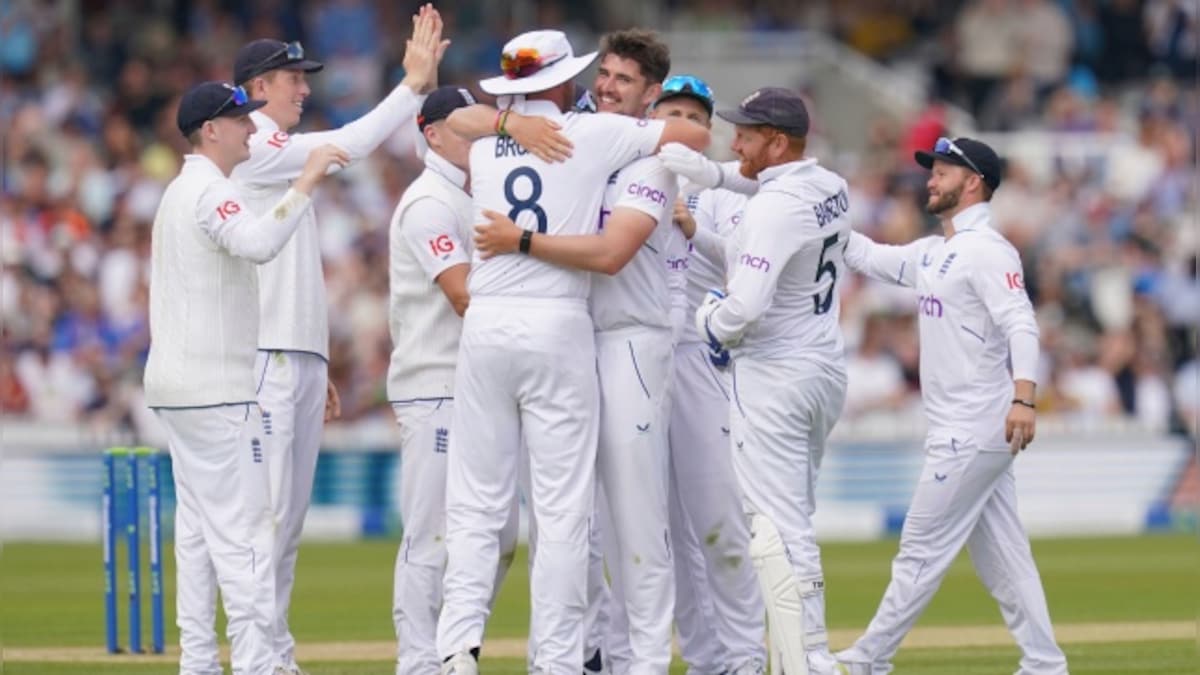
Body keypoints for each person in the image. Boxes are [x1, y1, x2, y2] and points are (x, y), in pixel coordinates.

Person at [433, 29, 709, 675]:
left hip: (486, 322)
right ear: (565, 82)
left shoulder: (480, 148)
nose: (600, 87)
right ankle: (556, 660)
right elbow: (692, 137)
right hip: (559, 326)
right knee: (562, 511)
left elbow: (453, 118)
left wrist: (505, 121)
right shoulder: (598, 135)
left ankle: (455, 648)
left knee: (476, 500)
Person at [228, 6, 447, 672]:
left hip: (292, 353)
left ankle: (276, 656)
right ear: (259, 86)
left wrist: (314, 353)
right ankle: (255, 658)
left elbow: (292, 266)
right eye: (294, 78)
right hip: (261, 359)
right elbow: (348, 143)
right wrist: (411, 86)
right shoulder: (252, 142)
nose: (305, 89)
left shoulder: (275, 153)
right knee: (263, 525)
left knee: (284, 528)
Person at [835, 137, 1069, 675]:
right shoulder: (936, 251)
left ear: (973, 182)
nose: (930, 179)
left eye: (942, 171)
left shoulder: (988, 249)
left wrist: (1024, 397)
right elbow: (869, 255)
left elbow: (1021, 323)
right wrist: (811, 217)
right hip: (965, 426)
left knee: (920, 548)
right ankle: (1044, 664)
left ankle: (869, 660)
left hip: (975, 425)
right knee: (1005, 557)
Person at [143, 81, 345, 675]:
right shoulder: (211, 191)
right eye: (240, 121)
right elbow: (258, 244)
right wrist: (305, 182)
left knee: (201, 533)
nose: (251, 130)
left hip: (181, 389)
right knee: (247, 537)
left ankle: (200, 663)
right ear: (211, 130)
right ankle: (259, 666)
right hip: (219, 392)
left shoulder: (180, 191)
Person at [692, 87, 852, 675]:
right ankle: (804, 655)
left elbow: (744, 307)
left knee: (777, 529)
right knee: (792, 520)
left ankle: (808, 658)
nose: (735, 143)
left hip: (774, 375)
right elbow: (760, 237)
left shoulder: (772, 208)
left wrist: (707, 318)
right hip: (821, 369)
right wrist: (698, 226)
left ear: (778, 142)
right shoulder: (831, 185)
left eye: (747, 134)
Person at [386, 85, 522, 675]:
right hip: (435, 382)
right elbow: (462, 294)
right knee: (431, 533)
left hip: (478, 384)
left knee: (501, 535)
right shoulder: (428, 202)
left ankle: (454, 648)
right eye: (463, 126)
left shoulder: (472, 195)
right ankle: (420, 660)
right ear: (433, 133)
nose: (479, 135)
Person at [653, 74, 768, 675]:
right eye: (672, 111)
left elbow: (749, 271)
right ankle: (703, 659)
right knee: (664, 534)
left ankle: (745, 657)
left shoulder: (724, 190)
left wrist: (695, 230)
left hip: (701, 355)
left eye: (695, 116)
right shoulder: (629, 177)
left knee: (719, 522)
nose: (684, 124)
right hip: (643, 357)